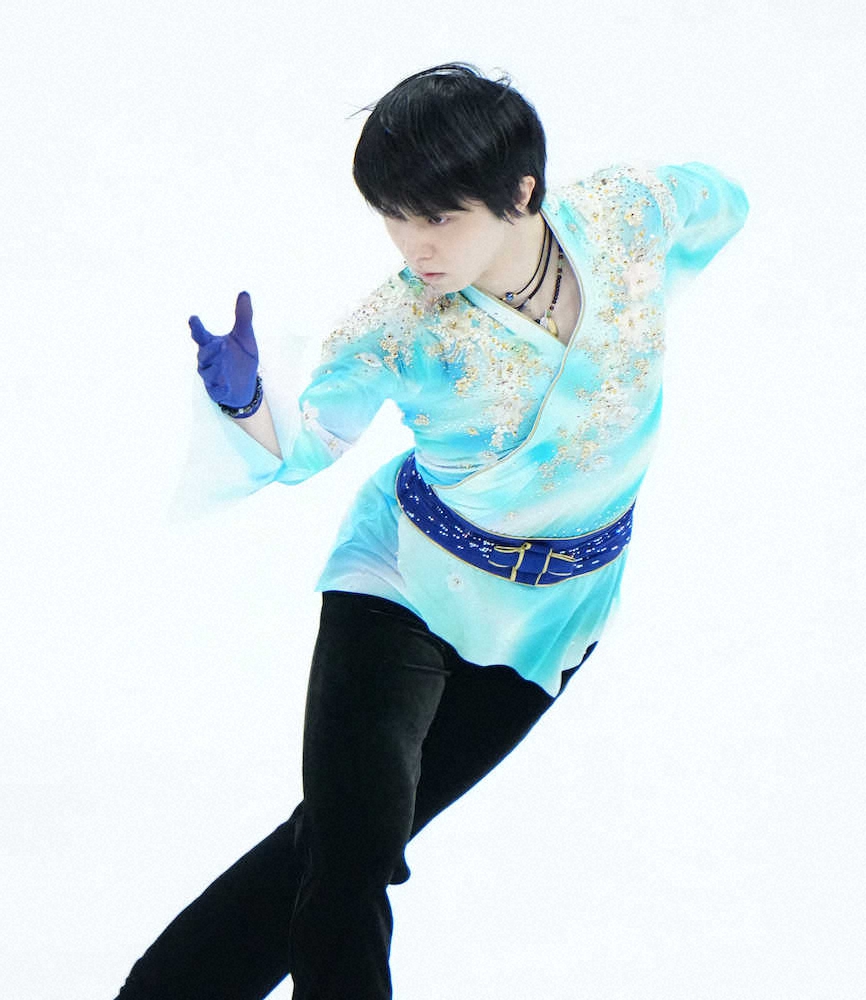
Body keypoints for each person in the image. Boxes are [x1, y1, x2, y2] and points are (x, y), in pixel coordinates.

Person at [113, 63, 748, 999]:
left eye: (438, 217)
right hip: (401, 582)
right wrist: (247, 402)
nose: (414, 246)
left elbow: (720, 200)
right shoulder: (398, 325)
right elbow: (311, 438)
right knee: (353, 854)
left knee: (340, 840)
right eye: (393, 217)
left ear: (521, 193)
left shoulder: (625, 217)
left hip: (551, 619)